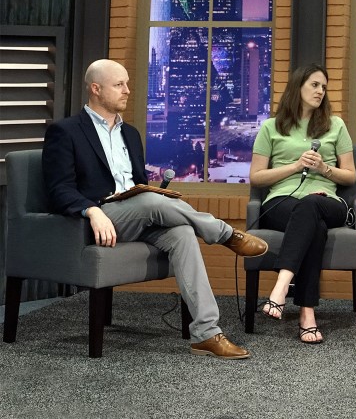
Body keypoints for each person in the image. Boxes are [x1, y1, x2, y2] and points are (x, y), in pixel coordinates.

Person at [42, 59, 266, 359]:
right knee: (150, 200)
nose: (127, 90)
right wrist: (92, 211)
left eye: (127, 83)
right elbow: (59, 188)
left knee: (183, 233)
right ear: (96, 89)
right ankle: (225, 235)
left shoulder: (130, 134)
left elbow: (139, 183)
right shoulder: (65, 131)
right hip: (98, 217)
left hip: (135, 213)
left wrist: (150, 195)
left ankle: (207, 334)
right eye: (119, 84)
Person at [249, 64, 356, 345]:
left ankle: (282, 286)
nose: (321, 91)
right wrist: (296, 166)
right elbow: (257, 177)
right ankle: (307, 313)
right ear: (298, 87)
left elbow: (350, 175)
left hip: (327, 201)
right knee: (314, 227)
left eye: (324, 86)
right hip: (281, 202)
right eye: (315, 85)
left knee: (312, 206)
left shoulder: (336, 125)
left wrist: (324, 169)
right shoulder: (270, 127)